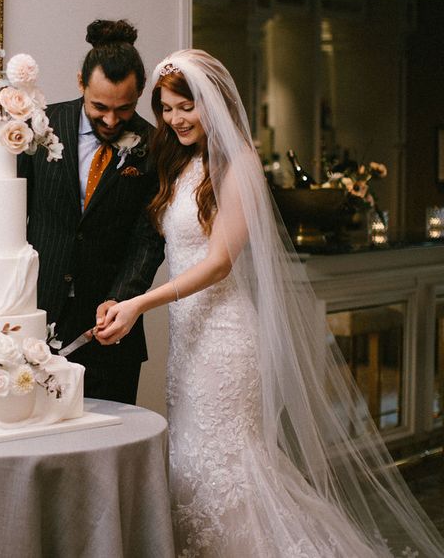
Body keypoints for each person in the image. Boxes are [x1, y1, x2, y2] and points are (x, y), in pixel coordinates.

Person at [97, 49, 444, 556]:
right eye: (167, 109)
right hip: (188, 338)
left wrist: (138, 305)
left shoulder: (238, 164)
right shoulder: (181, 161)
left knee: (229, 468)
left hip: (226, 340)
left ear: (211, 102)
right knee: (192, 464)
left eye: (184, 107)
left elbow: (219, 263)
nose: (175, 119)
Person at [17, 19, 164, 404]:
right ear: (81, 83)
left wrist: (122, 300)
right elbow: (13, 216)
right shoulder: (40, 126)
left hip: (110, 331)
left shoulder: (155, 148)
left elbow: (149, 239)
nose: (112, 120)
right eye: (100, 107)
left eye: (124, 109)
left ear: (140, 94)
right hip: (36, 315)